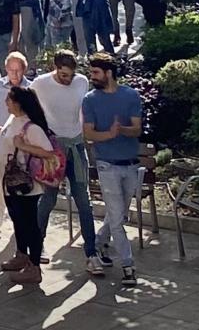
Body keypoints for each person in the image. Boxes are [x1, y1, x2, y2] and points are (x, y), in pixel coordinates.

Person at [32, 49, 102, 276]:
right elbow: (28, 105)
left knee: (84, 200)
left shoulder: (81, 82)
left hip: (76, 144)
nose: (67, 79)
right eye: (63, 75)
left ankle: (91, 253)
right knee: (48, 198)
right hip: (54, 147)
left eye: (70, 75)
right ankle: (36, 245)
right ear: (54, 68)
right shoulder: (41, 84)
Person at [83, 53, 143, 287]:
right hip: (106, 165)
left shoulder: (130, 96)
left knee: (118, 215)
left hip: (130, 164)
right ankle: (128, 266)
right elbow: (88, 132)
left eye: (96, 72)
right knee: (118, 221)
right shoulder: (90, 99)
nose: (92, 77)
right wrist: (108, 134)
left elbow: (136, 129)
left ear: (108, 73)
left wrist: (122, 130)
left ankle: (98, 245)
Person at [0, 86, 58, 286]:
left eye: (9, 99)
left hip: (26, 185)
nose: (6, 103)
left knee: (30, 224)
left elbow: (49, 153)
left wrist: (23, 146)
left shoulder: (32, 128)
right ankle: (21, 254)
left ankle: (34, 266)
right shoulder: (14, 121)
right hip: (11, 183)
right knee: (18, 221)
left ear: (18, 103)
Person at [0, 51, 33, 227]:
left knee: (20, 177)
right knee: (0, 178)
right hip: (0, 141)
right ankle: (0, 208)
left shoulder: (31, 88)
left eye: (18, 70)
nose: (14, 74)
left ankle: (19, 215)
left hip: (23, 142)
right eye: (11, 70)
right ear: (5, 69)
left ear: (24, 70)